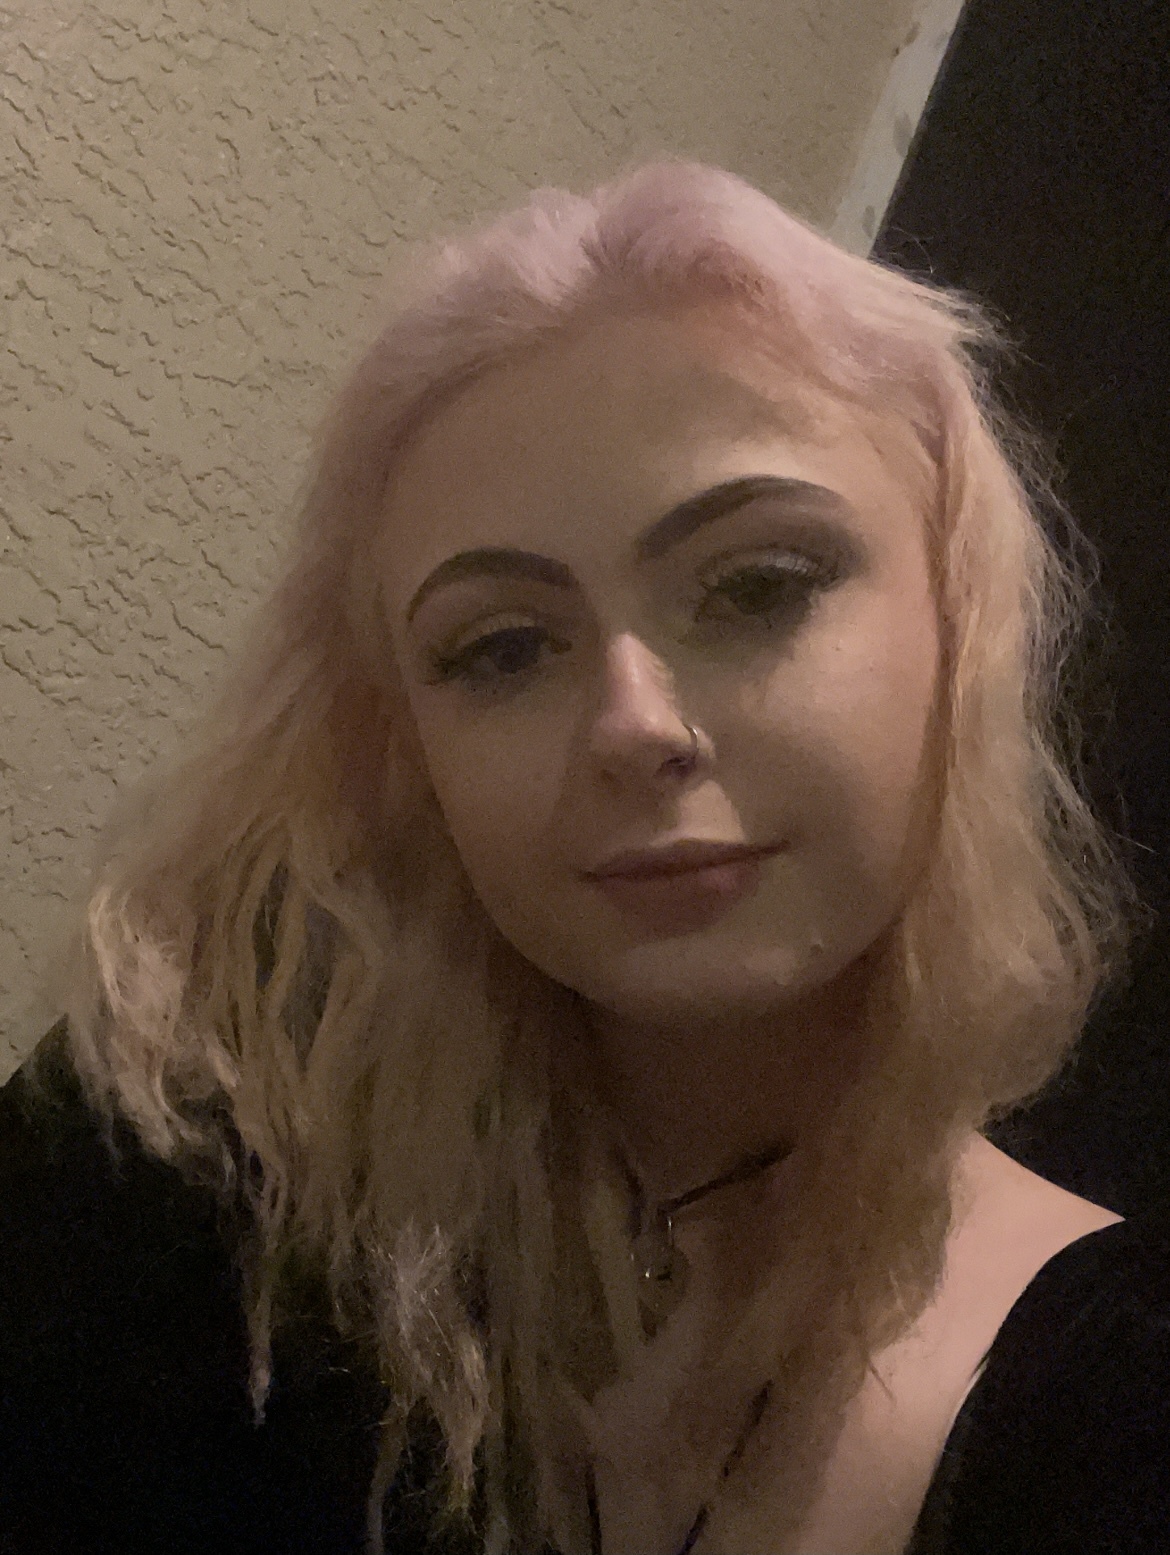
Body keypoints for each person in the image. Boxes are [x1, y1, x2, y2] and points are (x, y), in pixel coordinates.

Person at [1, 156, 1166, 1555]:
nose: (632, 727)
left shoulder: (1109, 1399)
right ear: (407, 739)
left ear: (960, 626)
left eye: (757, 585)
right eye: (502, 648)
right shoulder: (179, 1149)